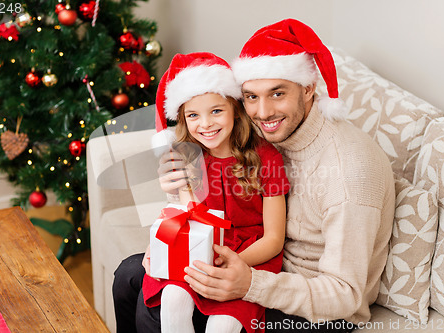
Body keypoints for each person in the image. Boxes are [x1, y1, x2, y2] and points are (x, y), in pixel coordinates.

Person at [113, 18, 395, 333]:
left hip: (316, 306)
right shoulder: (259, 133)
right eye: (251, 96)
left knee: (154, 310)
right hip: (249, 256)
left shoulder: (348, 172)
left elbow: (347, 296)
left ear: (308, 89)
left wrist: (248, 283)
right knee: (129, 276)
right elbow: (216, 184)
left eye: (277, 94)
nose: (262, 112)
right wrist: (171, 238)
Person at [144, 52, 290, 333]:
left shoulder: (267, 159)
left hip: (249, 256)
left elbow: (273, 238)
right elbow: (189, 216)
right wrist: (161, 246)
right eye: (193, 115)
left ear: (235, 109)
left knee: (223, 325)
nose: (206, 124)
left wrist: (233, 263)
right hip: (201, 249)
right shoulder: (187, 157)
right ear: (184, 120)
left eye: (216, 111)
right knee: (172, 298)